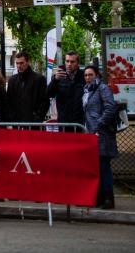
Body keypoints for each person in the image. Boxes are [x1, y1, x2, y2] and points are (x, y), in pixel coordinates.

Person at [82, 64, 118, 209]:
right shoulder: (86, 91)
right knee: (96, 166)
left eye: (90, 75)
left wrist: (99, 124)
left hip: (102, 133)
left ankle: (108, 197)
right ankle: (99, 197)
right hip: (91, 133)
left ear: (97, 75)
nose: (87, 78)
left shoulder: (102, 88)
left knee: (103, 166)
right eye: (85, 75)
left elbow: (110, 107)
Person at [6, 52, 48, 123]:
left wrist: (38, 118)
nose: (19, 66)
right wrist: (12, 117)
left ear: (28, 62)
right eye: (17, 63)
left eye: (21, 63)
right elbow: (8, 101)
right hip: (17, 122)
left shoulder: (39, 79)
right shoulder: (12, 80)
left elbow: (45, 101)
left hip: (33, 123)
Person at [47, 51, 85, 126]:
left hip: (80, 121)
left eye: (72, 62)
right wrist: (55, 80)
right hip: (63, 121)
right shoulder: (58, 77)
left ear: (77, 63)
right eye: (67, 61)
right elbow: (49, 94)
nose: (69, 64)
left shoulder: (84, 76)